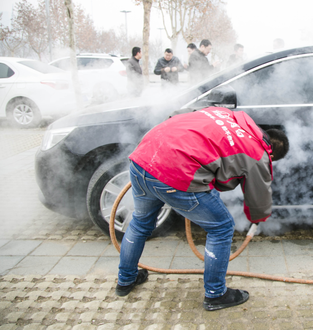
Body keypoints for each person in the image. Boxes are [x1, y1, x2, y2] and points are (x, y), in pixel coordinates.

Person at [115, 107, 289, 312]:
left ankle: (126, 280)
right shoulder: (259, 154)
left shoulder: (229, 115)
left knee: (141, 222)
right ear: (273, 155)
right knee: (222, 228)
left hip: (144, 156)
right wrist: (257, 218)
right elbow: (259, 197)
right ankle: (215, 295)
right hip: (174, 173)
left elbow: (183, 118)